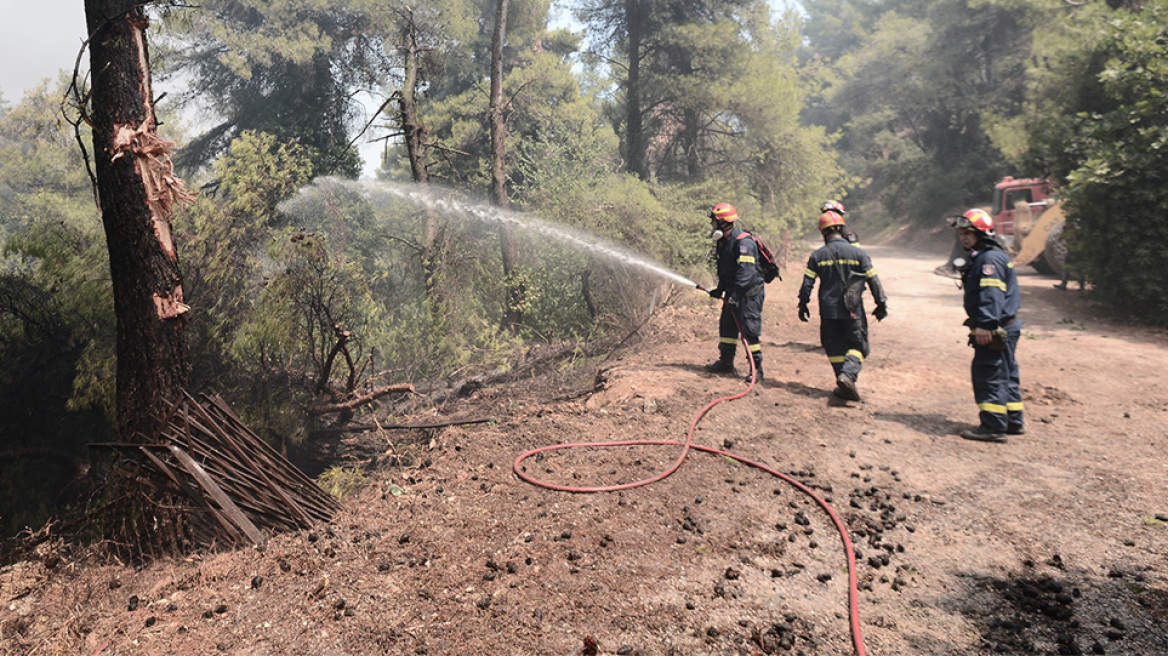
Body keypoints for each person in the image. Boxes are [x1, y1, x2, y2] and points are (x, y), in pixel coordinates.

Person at [948, 208, 1024, 442]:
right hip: (1006, 326)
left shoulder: (989, 259)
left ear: (982, 234)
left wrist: (986, 324)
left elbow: (992, 294)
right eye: (961, 234)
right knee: (1006, 372)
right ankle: (1012, 420)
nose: (964, 238)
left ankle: (993, 425)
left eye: (968, 233)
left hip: (994, 327)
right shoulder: (989, 256)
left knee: (988, 374)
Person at [797, 207, 887, 402]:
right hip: (852, 310)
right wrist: (881, 303)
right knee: (859, 346)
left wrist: (802, 304)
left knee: (834, 347)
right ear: (842, 229)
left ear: (823, 232)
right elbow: (873, 280)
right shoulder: (858, 253)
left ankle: (843, 380)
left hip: (828, 310)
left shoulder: (817, 255)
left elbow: (807, 284)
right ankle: (848, 376)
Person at [704, 202, 767, 383]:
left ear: (722, 222)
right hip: (733, 292)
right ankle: (726, 362)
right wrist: (720, 289)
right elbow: (725, 270)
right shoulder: (723, 242)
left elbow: (746, 272)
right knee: (727, 327)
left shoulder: (744, 242)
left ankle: (756, 369)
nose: (711, 224)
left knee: (749, 330)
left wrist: (736, 296)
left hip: (749, 294)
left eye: (713, 221)